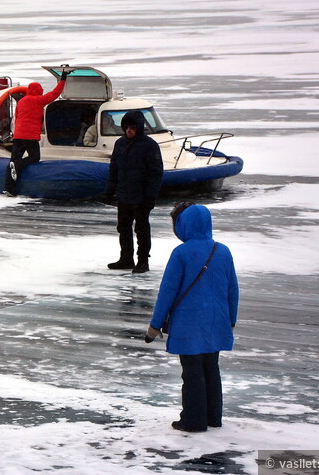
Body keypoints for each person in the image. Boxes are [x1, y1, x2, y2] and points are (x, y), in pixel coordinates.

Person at [145, 202, 239, 432]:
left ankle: (193, 421)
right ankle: (212, 417)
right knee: (211, 369)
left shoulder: (181, 253)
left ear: (183, 225)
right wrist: (231, 319)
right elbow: (232, 290)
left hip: (189, 325)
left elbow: (168, 291)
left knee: (192, 373)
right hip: (217, 323)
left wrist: (155, 325)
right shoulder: (222, 250)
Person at [104, 110, 163, 273]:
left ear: (138, 127)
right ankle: (126, 259)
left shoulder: (149, 146)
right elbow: (113, 169)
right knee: (123, 227)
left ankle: (143, 261)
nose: (129, 130)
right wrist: (110, 191)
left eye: (132, 127)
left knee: (142, 230)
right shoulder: (120, 143)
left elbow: (156, 173)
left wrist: (150, 197)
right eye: (126, 127)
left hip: (141, 197)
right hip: (124, 195)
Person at [2, 70, 67, 196]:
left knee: (13, 160)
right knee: (34, 157)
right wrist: (62, 80)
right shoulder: (39, 100)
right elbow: (55, 94)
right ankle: (18, 165)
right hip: (30, 137)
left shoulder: (21, 101)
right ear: (39, 90)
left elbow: (17, 117)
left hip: (18, 136)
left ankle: (9, 188)